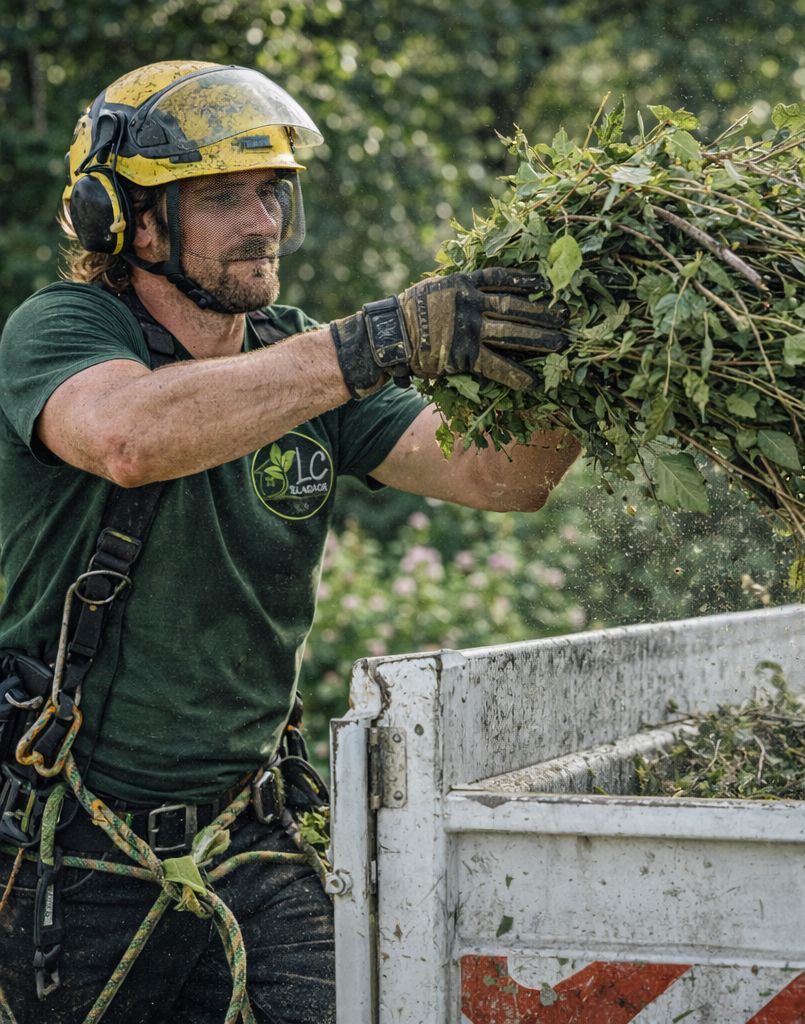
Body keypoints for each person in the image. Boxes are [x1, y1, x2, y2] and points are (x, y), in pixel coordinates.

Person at [0, 59, 579, 1023]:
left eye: (271, 192)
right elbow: (130, 438)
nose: (263, 221)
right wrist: (372, 343)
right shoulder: (61, 330)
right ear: (127, 221)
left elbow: (502, 476)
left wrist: (588, 358)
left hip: (254, 837)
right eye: (222, 197)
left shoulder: (299, 355)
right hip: (76, 848)